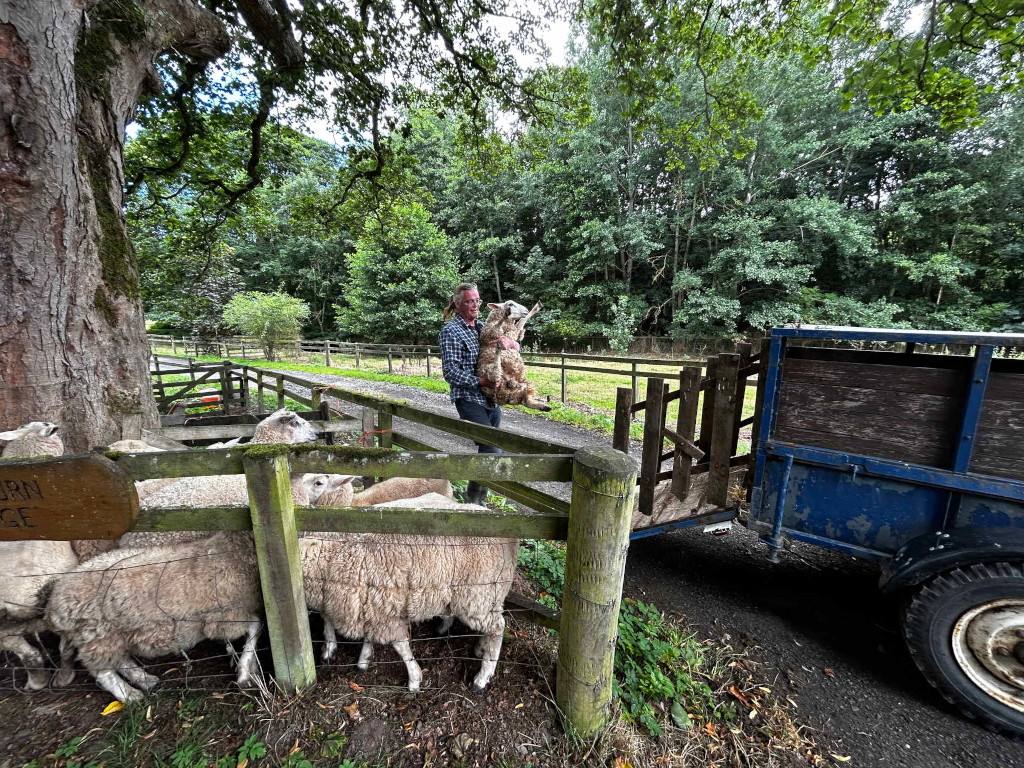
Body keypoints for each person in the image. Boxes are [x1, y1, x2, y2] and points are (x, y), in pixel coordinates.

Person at [438, 282, 506, 506]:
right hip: (468, 398)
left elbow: (502, 350)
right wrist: (481, 381)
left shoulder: (482, 328)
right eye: (470, 301)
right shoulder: (451, 331)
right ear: (458, 304)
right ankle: (477, 502)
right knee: (492, 447)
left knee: (489, 447)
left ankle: (474, 497)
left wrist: (510, 344)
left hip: (491, 398)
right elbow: (451, 372)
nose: (475, 305)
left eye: (477, 300)